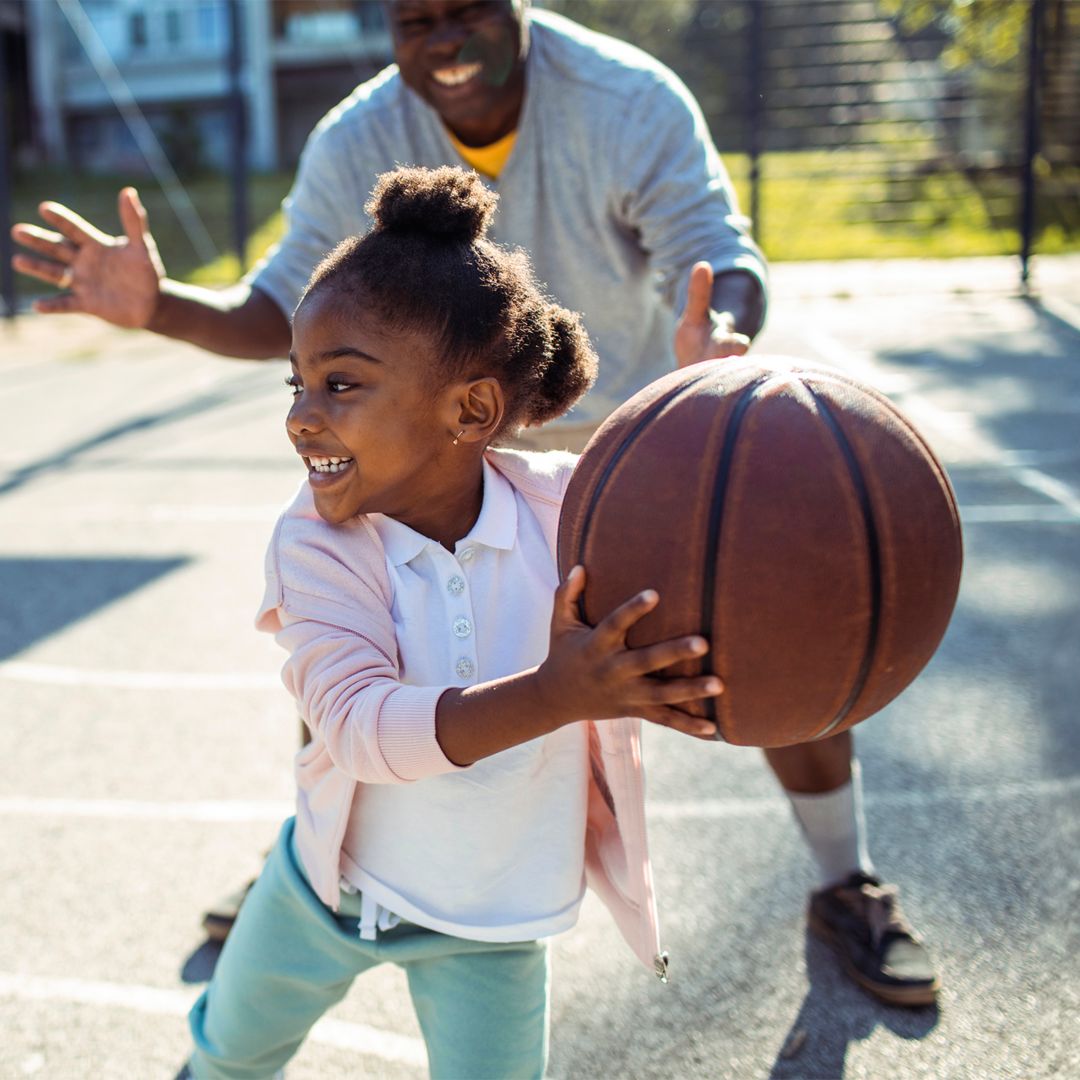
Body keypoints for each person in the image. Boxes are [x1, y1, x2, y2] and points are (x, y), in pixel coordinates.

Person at [11, 0, 937, 1007]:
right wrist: (160, 305)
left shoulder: (625, 99)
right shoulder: (357, 135)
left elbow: (716, 249)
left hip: (620, 444)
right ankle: (316, 864)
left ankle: (845, 878)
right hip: (418, 448)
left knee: (759, 615)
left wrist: (719, 336)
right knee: (354, 647)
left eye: (464, 13)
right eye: (415, 21)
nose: (442, 40)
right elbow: (277, 306)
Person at [183, 162, 724, 1079]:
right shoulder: (315, 544)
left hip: (493, 920)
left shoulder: (567, 514)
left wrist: (708, 419)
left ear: (471, 409)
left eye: (341, 386)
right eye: (297, 386)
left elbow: (689, 529)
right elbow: (356, 729)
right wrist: (556, 694)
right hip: (329, 891)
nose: (304, 419)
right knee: (228, 1055)